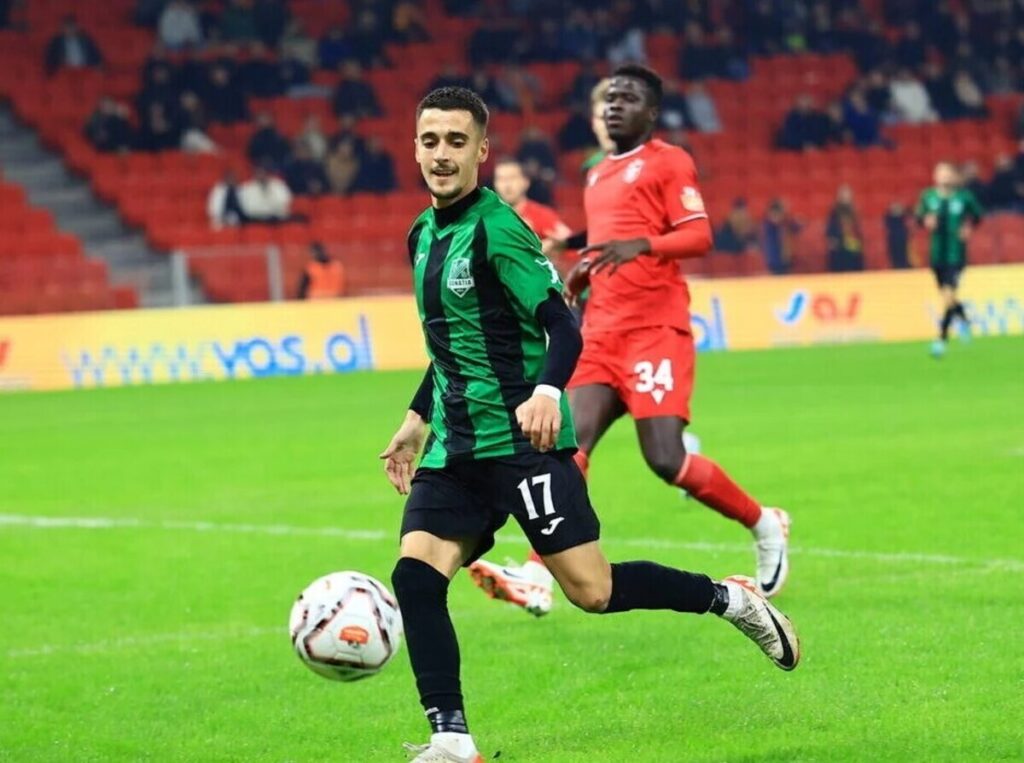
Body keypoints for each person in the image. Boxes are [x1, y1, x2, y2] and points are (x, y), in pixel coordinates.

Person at [381, 85, 800, 763]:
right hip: (455, 449)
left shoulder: (498, 229)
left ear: (482, 151)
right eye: (430, 140)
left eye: (457, 141)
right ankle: (452, 739)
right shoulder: (421, 234)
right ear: (415, 148)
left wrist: (548, 391)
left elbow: (563, 324)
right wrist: (415, 418)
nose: (442, 154)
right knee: (416, 576)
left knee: (592, 591)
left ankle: (729, 599)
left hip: (523, 441)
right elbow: (451, 345)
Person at [468, 65, 792, 618]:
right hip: (601, 333)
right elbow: (604, 242)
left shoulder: (670, 161)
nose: (615, 105)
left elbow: (699, 234)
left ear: (652, 112)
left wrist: (641, 245)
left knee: (665, 459)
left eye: (629, 98)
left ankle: (764, 522)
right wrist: (581, 269)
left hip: (653, 330)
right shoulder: (597, 173)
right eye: (610, 97)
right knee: (564, 448)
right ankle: (536, 575)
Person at [916, 162, 983, 358]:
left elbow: (978, 216)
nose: (943, 176)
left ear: (953, 176)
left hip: (956, 254)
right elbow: (919, 217)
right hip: (937, 254)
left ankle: (941, 340)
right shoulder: (928, 197)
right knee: (947, 297)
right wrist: (925, 221)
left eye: (946, 173)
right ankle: (964, 319)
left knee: (948, 295)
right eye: (940, 173)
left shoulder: (964, 197)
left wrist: (968, 228)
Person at [492, 156, 572, 271]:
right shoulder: (487, 217)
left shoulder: (542, 214)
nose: (507, 185)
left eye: (512, 178)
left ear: (525, 182)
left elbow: (567, 239)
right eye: (501, 179)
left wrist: (550, 244)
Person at [826, 185, 865, 272]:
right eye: (843, 195)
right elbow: (830, 230)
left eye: (847, 195)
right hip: (840, 249)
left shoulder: (854, 211)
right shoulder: (834, 212)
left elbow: (858, 229)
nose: (845, 197)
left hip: (853, 247)